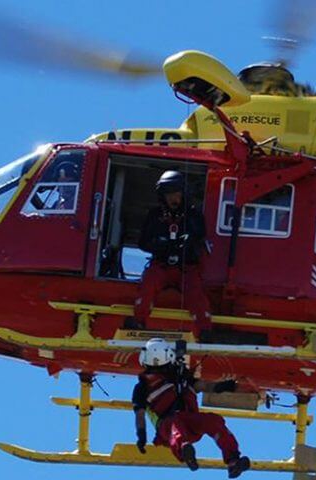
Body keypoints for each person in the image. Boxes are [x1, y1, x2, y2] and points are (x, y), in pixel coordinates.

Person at [132, 339, 251, 478]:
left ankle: (233, 460)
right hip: (167, 427)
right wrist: (142, 435)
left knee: (214, 421)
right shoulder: (142, 387)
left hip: (190, 421)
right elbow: (139, 413)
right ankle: (184, 450)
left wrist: (225, 386)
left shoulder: (181, 377)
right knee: (175, 425)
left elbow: (204, 386)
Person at [132, 171, 214, 335]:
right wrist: (159, 244)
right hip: (161, 265)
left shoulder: (194, 216)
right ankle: (138, 321)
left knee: (196, 294)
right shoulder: (154, 215)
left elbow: (200, 236)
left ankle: (204, 330)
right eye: (168, 194)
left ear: (183, 194)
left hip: (187, 268)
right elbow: (143, 241)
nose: (172, 198)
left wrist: (188, 241)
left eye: (176, 193)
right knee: (148, 283)